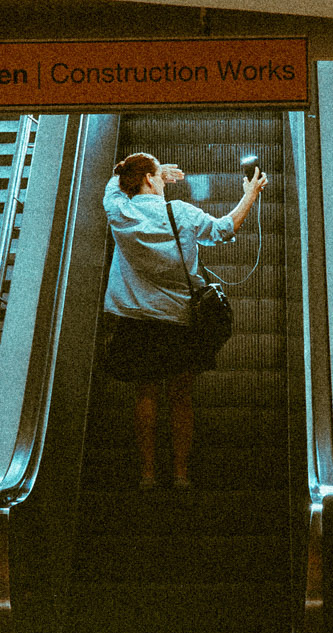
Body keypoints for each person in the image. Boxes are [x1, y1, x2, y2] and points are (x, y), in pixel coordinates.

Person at [102, 151, 268, 488]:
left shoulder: (119, 211)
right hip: (179, 320)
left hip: (136, 320)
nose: (164, 183)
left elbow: (113, 185)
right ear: (149, 180)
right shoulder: (179, 213)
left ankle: (147, 474)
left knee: (145, 395)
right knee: (180, 397)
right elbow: (224, 229)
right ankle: (180, 474)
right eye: (159, 177)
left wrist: (149, 170)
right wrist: (250, 194)